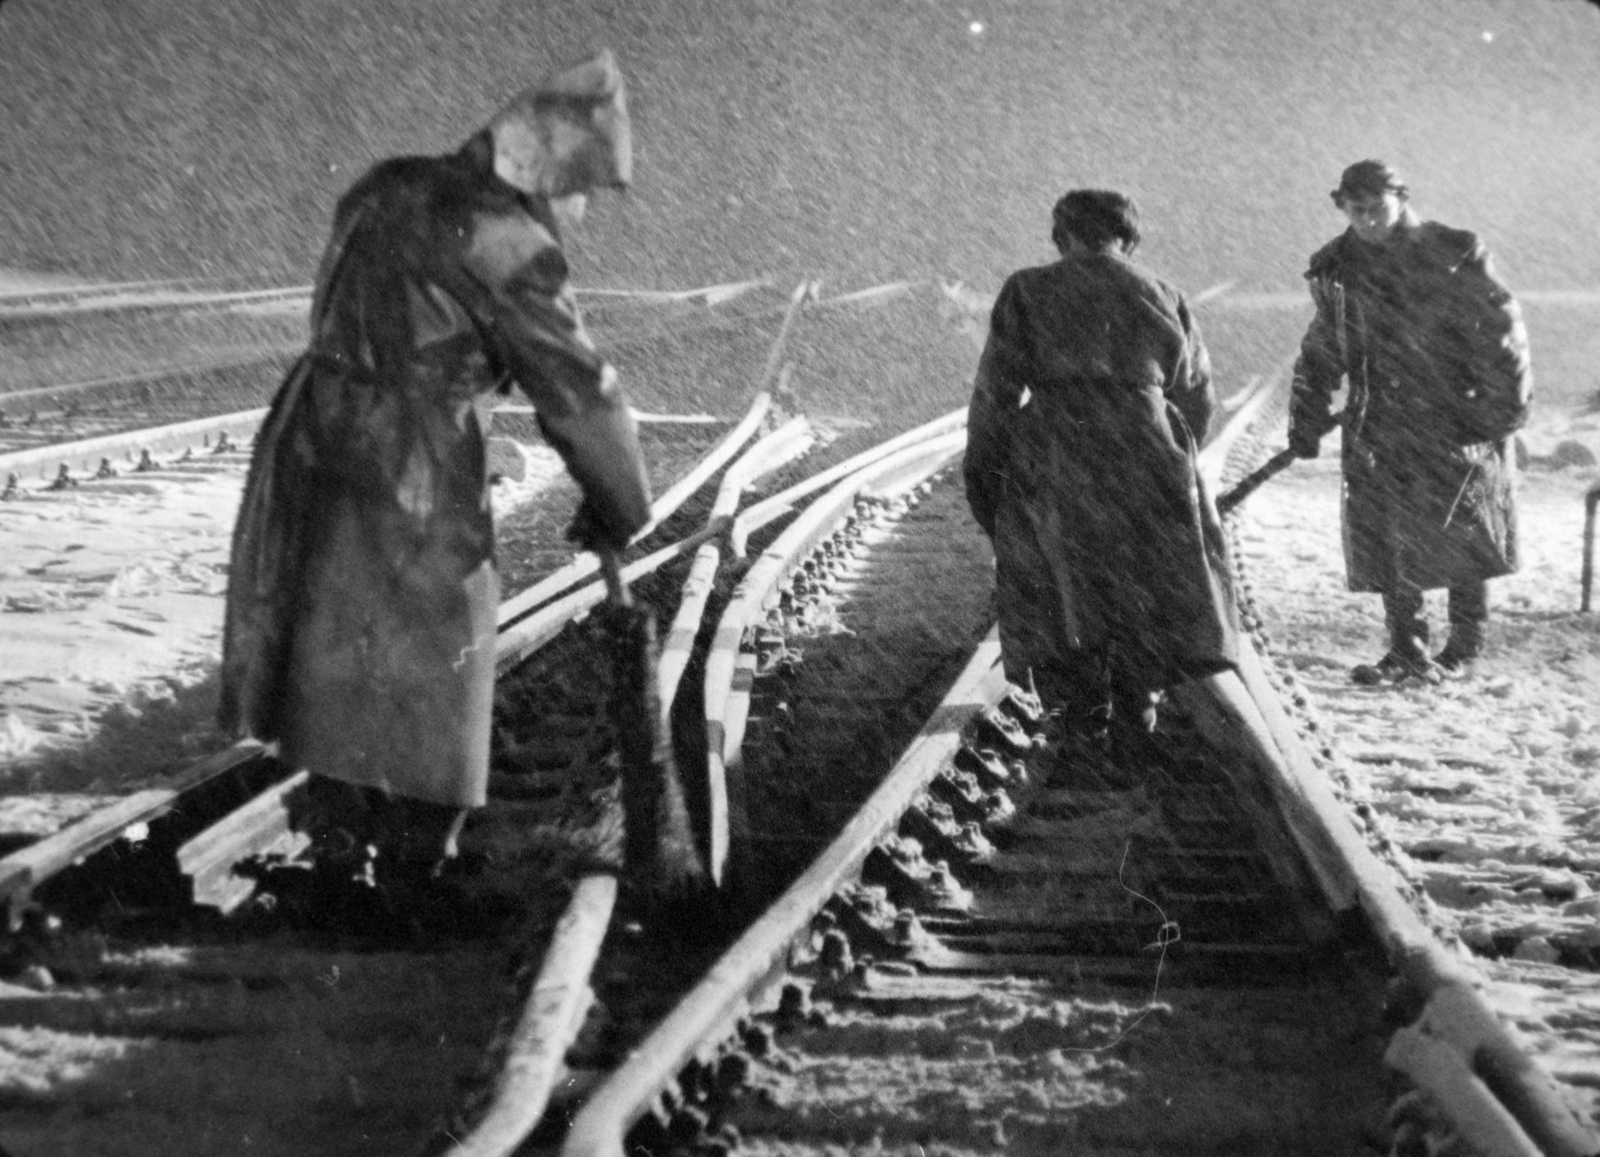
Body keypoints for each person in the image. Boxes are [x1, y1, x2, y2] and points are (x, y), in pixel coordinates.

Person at [219, 51, 651, 887]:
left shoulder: (385, 187)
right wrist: (621, 500)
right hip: (409, 462)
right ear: (549, 167)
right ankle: (417, 857)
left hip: (315, 433)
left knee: (332, 643)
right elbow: (575, 388)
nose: (582, 208)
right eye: (582, 186)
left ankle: (341, 830)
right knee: (438, 652)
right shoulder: (508, 242)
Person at [964, 189, 1240, 757]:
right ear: (1131, 240)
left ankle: (1079, 714)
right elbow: (1198, 397)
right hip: (1146, 450)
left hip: (1059, 450)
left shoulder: (1028, 290)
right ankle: (1137, 710)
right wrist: (1166, 448)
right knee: (1139, 579)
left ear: (1061, 237)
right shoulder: (1165, 294)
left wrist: (988, 467)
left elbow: (995, 391)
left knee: (1060, 575)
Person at [1287, 160, 1532, 685]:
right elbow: (1323, 345)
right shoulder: (1335, 266)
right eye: (1358, 211)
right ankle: (1407, 646)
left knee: (1464, 532)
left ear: (1401, 199)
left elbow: (1501, 329)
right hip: (1379, 421)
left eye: (1378, 208)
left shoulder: (1453, 252)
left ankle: (1465, 644)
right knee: (1387, 533)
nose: (1370, 220)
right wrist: (1305, 412)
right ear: (1342, 208)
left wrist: (1503, 408)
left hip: (1455, 417)